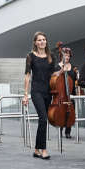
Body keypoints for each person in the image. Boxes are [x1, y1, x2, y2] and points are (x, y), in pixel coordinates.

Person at [22, 31, 63, 159]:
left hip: (48, 91)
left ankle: (36, 149)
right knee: (43, 118)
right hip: (36, 91)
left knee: (43, 121)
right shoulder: (30, 56)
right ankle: (43, 149)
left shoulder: (51, 56)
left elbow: (54, 74)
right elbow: (27, 76)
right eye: (39, 40)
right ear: (35, 42)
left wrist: (63, 67)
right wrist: (25, 94)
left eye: (44, 39)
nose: (42, 42)